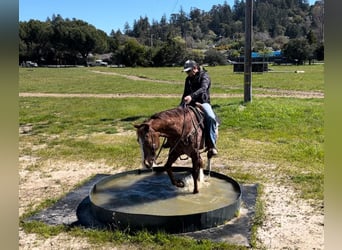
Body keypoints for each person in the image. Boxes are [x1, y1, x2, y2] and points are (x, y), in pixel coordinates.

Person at [180, 60, 218, 156]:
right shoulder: (188, 79)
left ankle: (211, 145)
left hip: (203, 103)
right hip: (190, 103)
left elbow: (203, 89)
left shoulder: (205, 76)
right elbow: (185, 93)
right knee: (175, 116)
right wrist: (181, 105)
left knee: (211, 118)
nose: (187, 74)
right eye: (186, 72)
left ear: (195, 68)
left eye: (188, 71)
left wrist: (191, 96)